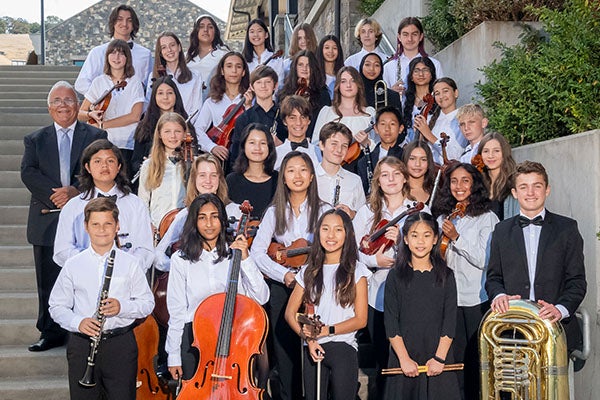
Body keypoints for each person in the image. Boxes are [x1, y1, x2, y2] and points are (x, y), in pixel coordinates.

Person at [21, 81, 107, 352]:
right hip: (46, 217)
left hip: (84, 218)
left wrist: (75, 190)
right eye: (57, 101)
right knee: (48, 278)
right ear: (49, 108)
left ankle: (83, 329)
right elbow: (28, 172)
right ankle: (50, 331)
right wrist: (55, 194)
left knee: (83, 275)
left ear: (77, 105)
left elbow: (101, 167)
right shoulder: (35, 139)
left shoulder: (95, 135)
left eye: (69, 100)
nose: (63, 105)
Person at [49, 197, 154, 400]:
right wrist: (78, 322)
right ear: (86, 227)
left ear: (117, 226)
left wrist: (121, 307)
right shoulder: (73, 264)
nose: (102, 230)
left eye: (108, 224)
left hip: (120, 344)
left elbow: (147, 303)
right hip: (82, 344)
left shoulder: (131, 263)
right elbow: (56, 306)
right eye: (95, 224)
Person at [251, 151, 330, 400]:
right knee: (285, 353)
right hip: (284, 287)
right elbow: (257, 252)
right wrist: (284, 275)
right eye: (291, 170)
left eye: (303, 169)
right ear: (283, 177)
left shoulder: (324, 210)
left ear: (311, 176)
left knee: (317, 346)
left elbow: (332, 248)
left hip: (316, 287)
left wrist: (309, 273)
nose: (298, 175)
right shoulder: (274, 212)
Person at [166, 193, 269, 380]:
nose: (209, 223)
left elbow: (262, 297)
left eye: (214, 216)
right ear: (194, 222)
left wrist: (245, 258)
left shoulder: (235, 254)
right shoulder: (180, 260)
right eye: (202, 217)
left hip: (234, 337)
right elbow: (177, 311)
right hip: (195, 338)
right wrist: (173, 355)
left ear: (222, 220)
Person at [486, 161, 586, 353]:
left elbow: (577, 281)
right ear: (514, 193)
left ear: (547, 190)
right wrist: (499, 296)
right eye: (524, 187)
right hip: (512, 331)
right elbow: (493, 278)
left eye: (537, 186)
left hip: (556, 330)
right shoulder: (501, 230)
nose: (530, 193)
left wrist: (561, 309)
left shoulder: (567, 229)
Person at [353, 156, 427, 396]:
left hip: (411, 293)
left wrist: (401, 245)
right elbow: (353, 251)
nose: (391, 179)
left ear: (405, 178)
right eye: (385, 175)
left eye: (396, 174)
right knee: (380, 358)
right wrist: (375, 261)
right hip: (377, 293)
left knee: (409, 356)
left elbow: (427, 250)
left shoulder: (417, 210)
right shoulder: (367, 211)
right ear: (378, 180)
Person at [285, 209, 370, 400]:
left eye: (338, 230)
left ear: (347, 234)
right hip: (313, 348)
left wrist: (327, 331)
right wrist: (308, 339)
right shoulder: (308, 271)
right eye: (325, 229)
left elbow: (361, 319)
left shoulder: (357, 270)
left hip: (343, 347)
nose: (331, 235)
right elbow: (290, 313)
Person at [432, 162, 499, 400]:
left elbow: (486, 260)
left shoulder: (487, 218)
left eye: (465, 181)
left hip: (475, 298)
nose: (459, 186)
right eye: (453, 181)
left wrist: (456, 238)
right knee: (456, 360)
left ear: (475, 184)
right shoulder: (444, 216)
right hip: (450, 298)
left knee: (477, 360)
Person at [384, 212, 460, 400]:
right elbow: (391, 322)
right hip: (405, 356)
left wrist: (439, 358)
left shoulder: (447, 276)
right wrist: (404, 359)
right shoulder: (395, 277)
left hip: (438, 357)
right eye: (414, 235)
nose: (420, 241)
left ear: (435, 239)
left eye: (426, 235)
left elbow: (450, 320)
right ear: (406, 239)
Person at [53, 139, 154, 271]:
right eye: (97, 161)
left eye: (110, 161)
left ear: (119, 167)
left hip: (127, 278)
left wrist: (125, 266)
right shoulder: (73, 206)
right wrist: (91, 261)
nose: (104, 166)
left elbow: (146, 249)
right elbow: (62, 250)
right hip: (85, 276)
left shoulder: (136, 204)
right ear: (87, 167)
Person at [154, 153, 240, 272]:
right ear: (194, 179)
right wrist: (182, 267)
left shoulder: (235, 211)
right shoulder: (185, 215)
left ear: (220, 179)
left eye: (213, 175)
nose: (208, 181)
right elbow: (158, 255)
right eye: (202, 175)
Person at [79, 39, 145, 169]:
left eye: (121, 53)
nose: (116, 57)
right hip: (102, 143)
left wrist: (103, 124)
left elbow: (135, 116)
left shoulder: (134, 82)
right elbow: (80, 114)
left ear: (127, 58)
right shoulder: (99, 82)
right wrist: (90, 114)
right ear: (107, 57)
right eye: (113, 53)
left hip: (127, 143)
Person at [74, 4, 152, 95]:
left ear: (134, 24)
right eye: (120, 19)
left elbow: (149, 86)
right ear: (113, 22)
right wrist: (101, 98)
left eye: (129, 20)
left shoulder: (146, 54)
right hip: (106, 107)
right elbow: (81, 83)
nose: (124, 24)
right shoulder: (97, 52)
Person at [131, 75, 194, 182]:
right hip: (154, 180)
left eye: (170, 93)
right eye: (160, 93)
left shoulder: (186, 125)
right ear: (154, 97)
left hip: (180, 179)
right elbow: (135, 163)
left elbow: (193, 154)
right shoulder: (144, 127)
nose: (165, 97)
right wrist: (147, 164)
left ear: (176, 96)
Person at [194, 51, 250, 162]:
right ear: (222, 71)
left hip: (245, 156)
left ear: (243, 72)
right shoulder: (211, 102)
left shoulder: (250, 99)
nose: (234, 71)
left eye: (238, 67)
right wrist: (212, 147)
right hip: (220, 156)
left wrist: (248, 107)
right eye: (229, 66)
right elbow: (197, 129)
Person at [228, 65, 285, 170]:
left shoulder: (284, 116)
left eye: (268, 82)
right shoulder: (243, 119)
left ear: (275, 85)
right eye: (258, 82)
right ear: (252, 87)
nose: (263, 86)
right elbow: (236, 154)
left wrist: (281, 145)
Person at [137, 112, 188, 228]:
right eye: (167, 131)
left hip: (186, 227)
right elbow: (143, 201)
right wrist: (149, 226)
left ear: (185, 134)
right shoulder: (149, 165)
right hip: (159, 226)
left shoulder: (193, 164)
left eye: (178, 131)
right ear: (159, 134)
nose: (173, 136)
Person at [311, 66, 376, 146]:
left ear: (358, 85)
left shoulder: (370, 113)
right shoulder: (326, 112)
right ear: (338, 85)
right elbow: (316, 143)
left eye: (353, 81)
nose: (348, 85)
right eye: (343, 81)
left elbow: (379, 146)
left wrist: (367, 143)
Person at [227, 123, 278, 219]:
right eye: (252, 142)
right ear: (244, 146)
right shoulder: (232, 180)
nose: (257, 148)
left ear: (269, 147)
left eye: (262, 143)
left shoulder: (279, 180)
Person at [315, 122, 366, 218]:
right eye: (334, 144)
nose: (339, 150)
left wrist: (352, 214)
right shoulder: (309, 177)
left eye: (344, 146)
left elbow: (363, 218)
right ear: (321, 145)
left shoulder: (355, 180)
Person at [278, 50, 332, 139]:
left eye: (308, 65)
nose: (304, 68)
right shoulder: (285, 93)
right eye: (300, 65)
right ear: (295, 67)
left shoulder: (322, 94)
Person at [383, 17, 443, 95]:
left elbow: (441, 93)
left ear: (421, 36)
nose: (410, 39)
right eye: (405, 34)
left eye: (414, 34)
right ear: (399, 37)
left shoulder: (435, 64)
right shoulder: (388, 67)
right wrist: (391, 93)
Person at [413, 78, 467, 164]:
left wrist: (428, 134)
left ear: (455, 93)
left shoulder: (463, 120)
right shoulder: (429, 120)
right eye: (437, 93)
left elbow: (454, 156)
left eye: (445, 91)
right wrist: (419, 137)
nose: (441, 96)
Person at [147, 31, 202, 116]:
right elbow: (151, 107)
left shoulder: (195, 75)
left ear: (179, 47)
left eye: (172, 45)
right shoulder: (154, 75)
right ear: (160, 52)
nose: (169, 50)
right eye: (164, 47)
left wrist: (184, 126)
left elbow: (196, 109)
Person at [357, 106, 405, 194]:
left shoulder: (407, 158)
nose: (387, 129)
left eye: (392, 124)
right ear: (375, 129)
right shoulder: (364, 162)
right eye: (383, 124)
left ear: (400, 128)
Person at [186, 15, 229, 100]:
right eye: (201, 26)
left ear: (215, 31)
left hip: (214, 100)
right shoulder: (185, 56)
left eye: (210, 27)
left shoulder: (223, 55)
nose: (205, 30)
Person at [476, 132, 517, 220]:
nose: (490, 156)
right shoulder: (476, 184)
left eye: (496, 151)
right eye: (486, 151)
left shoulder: (515, 183)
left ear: (504, 153)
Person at [275, 95, 321, 170]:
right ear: (284, 121)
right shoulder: (275, 154)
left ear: (309, 120)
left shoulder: (319, 153)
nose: (298, 123)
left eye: (303, 117)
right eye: (292, 118)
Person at [403, 57, 437, 145]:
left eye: (425, 70)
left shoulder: (438, 99)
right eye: (416, 71)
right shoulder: (404, 101)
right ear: (411, 76)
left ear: (431, 75)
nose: (421, 74)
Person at [242, 19, 284, 84]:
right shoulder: (243, 61)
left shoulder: (277, 60)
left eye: (259, 31)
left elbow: (280, 84)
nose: (255, 34)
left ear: (266, 35)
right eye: (252, 32)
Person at [402, 140, 436, 204]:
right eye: (412, 158)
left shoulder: (436, 192)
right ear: (405, 160)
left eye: (423, 159)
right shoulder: (395, 190)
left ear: (429, 163)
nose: (417, 164)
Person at [316, 35, 344, 99]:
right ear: (321, 50)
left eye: (334, 48)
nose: (330, 51)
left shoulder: (344, 73)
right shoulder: (315, 74)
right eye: (327, 47)